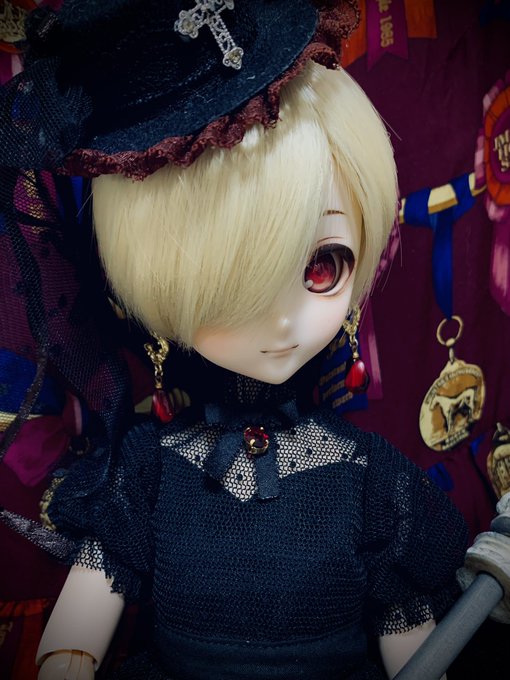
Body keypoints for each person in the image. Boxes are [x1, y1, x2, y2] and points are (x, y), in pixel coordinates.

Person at [0, 1, 467, 678]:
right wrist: (66, 656)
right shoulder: (152, 465)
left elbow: (406, 628)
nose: (280, 321)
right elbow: (93, 595)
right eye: (226, 284)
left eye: (322, 265)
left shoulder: (366, 473)